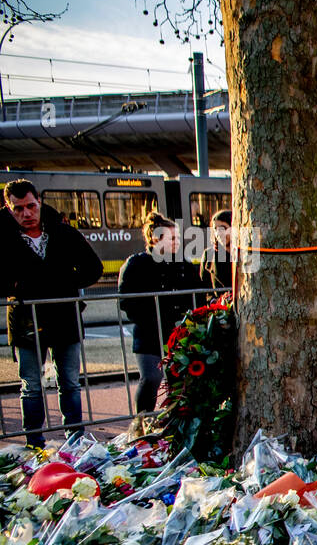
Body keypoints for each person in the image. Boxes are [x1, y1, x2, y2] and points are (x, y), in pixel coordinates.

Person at [1, 179, 103, 446]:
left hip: (63, 318)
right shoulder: (2, 237)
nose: (26, 214)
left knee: (69, 382)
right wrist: (19, 286)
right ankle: (34, 442)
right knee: (31, 385)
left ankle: (75, 439)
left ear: (39, 202)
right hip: (26, 321)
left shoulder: (62, 232)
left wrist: (66, 283)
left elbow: (94, 268)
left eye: (31, 206)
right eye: (18, 209)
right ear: (9, 208)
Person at [117, 214, 206, 414]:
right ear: (155, 238)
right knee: (151, 378)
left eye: (178, 238)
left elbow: (197, 294)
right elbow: (126, 300)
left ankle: (175, 421)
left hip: (177, 333)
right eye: (172, 238)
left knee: (179, 380)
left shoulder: (182, 264)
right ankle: (142, 420)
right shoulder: (137, 264)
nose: (177, 242)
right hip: (149, 334)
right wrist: (148, 318)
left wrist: (189, 319)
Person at [201, 208, 234, 293]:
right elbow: (204, 286)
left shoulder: (244, 253)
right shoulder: (208, 254)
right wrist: (212, 301)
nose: (219, 233)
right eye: (215, 229)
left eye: (223, 228)